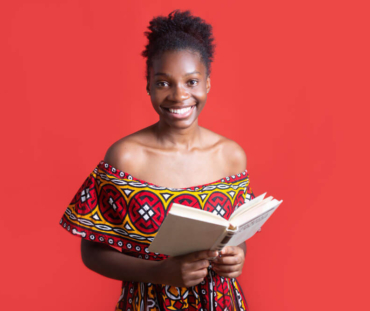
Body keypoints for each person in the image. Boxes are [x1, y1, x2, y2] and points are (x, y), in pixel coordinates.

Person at [59, 10, 255, 311]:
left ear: (207, 84)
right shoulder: (126, 157)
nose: (179, 96)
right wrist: (159, 273)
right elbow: (91, 251)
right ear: (148, 84)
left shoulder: (231, 156)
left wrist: (235, 256)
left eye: (191, 81)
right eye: (164, 83)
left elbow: (236, 235)